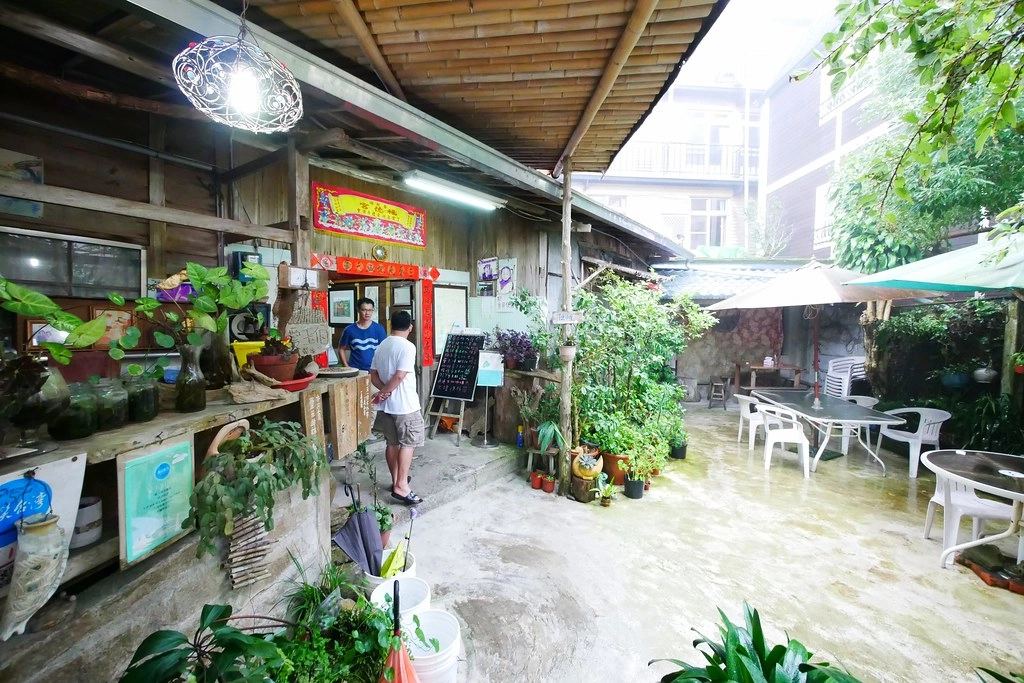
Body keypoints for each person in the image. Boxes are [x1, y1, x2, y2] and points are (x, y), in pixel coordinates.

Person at [369, 310, 424, 506]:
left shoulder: (382, 345)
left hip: (387, 407)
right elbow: (400, 375)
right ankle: (402, 485)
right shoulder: (408, 347)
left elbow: (373, 373)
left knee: (392, 444)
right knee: (408, 443)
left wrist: (383, 392)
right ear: (410, 327)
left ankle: (395, 481)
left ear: (391, 324)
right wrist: (387, 391)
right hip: (405, 405)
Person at [338, 297, 387, 371]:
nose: (367, 313)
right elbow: (341, 349)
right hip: (355, 370)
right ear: (358, 310)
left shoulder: (379, 329)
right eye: (364, 310)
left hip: (375, 371)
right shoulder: (349, 330)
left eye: (370, 310)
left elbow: (385, 350)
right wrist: (346, 367)